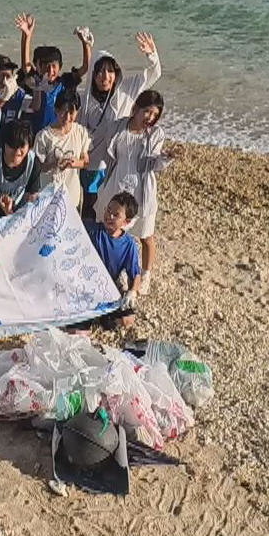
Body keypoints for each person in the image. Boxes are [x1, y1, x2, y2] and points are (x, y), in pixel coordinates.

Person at [92, 90, 176, 295]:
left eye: (155, 115)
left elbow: (152, 164)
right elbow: (106, 153)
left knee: (145, 235)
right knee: (111, 228)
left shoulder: (155, 134)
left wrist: (166, 158)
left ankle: (145, 274)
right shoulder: (117, 127)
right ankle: (111, 267)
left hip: (141, 188)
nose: (150, 118)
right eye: (147, 111)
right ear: (136, 108)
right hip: (116, 185)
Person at [78, 32, 162, 220]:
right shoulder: (86, 99)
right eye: (99, 71)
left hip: (115, 163)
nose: (104, 77)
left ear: (116, 73)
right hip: (91, 164)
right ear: (93, 75)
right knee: (90, 210)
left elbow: (155, 73)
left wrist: (151, 54)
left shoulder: (127, 88)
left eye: (109, 71)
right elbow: (80, 131)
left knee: (113, 210)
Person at [14, 13, 92, 134]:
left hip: (59, 137)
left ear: (60, 66)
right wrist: (27, 35)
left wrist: (85, 44)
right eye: (47, 67)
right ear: (40, 66)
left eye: (54, 66)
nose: (51, 71)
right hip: (37, 135)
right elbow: (26, 66)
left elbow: (85, 68)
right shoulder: (38, 81)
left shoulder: (65, 82)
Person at [85, 192, 143, 329]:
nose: (109, 216)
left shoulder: (128, 244)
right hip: (86, 287)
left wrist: (132, 292)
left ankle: (105, 320)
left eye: (116, 215)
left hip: (109, 288)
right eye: (108, 210)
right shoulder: (92, 230)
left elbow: (135, 274)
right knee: (79, 332)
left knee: (128, 320)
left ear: (126, 222)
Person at [33, 90, 91, 210]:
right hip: (48, 197)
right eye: (63, 112)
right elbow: (39, 167)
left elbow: (85, 162)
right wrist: (55, 164)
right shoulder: (44, 136)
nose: (67, 117)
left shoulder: (81, 132)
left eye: (71, 113)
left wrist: (74, 163)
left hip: (72, 197)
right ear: (56, 110)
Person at [0, 120, 42, 216]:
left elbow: (32, 197)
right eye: (13, 146)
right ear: (4, 144)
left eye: (21, 146)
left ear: (29, 146)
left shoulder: (34, 163)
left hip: (18, 216)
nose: (17, 151)